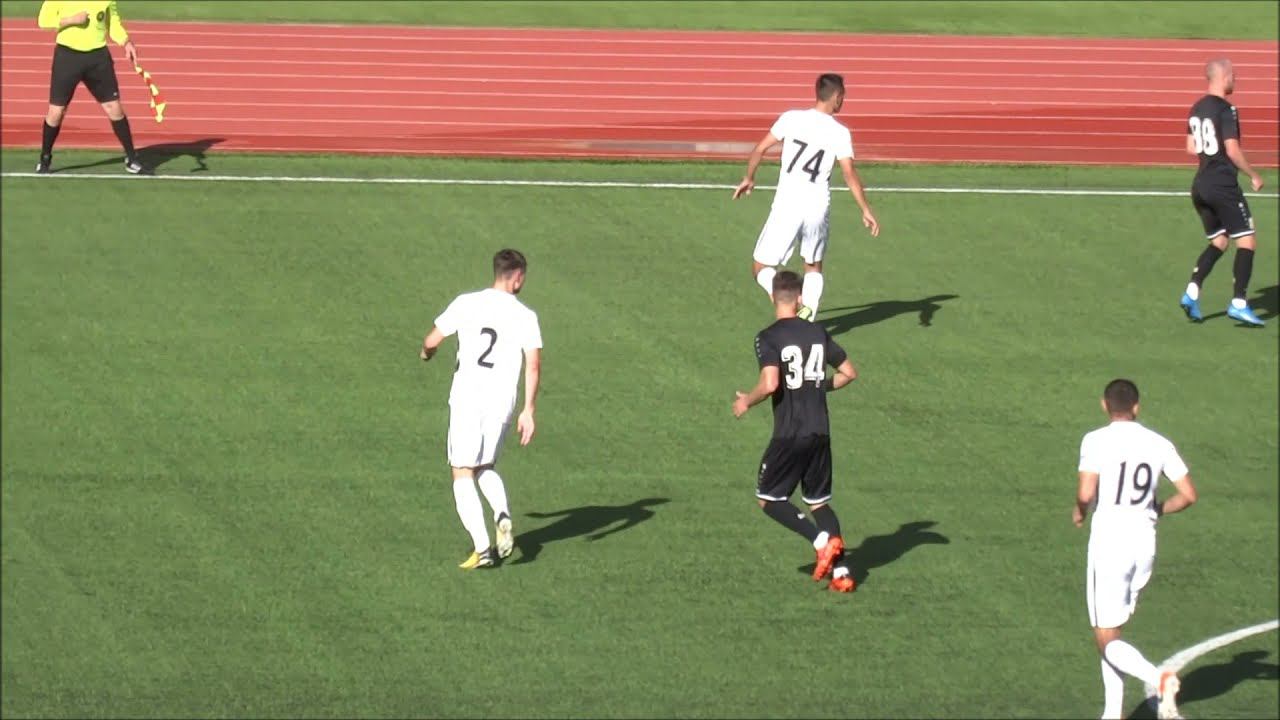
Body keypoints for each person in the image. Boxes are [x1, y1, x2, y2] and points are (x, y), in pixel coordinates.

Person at [1073, 379, 1198, 720]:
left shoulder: (1095, 440)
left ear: (1104, 405)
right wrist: (1158, 509)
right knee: (1113, 630)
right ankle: (1112, 714)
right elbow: (1188, 495)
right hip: (1144, 543)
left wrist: (1079, 511)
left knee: (1105, 637)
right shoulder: (1159, 443)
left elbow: (1085, 493)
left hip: (1109, 543)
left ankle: (1159, 679)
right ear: (1137, 407)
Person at [732, 270, 859, 592]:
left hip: (790, 432)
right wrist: (816, 386)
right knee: (819, 503)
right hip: (820, 431)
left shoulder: (768, 337)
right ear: (800, 298)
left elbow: (770, 383)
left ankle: (819, 542)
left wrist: (747, 400)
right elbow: (849, 373)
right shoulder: (818, 332)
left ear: (773, 297)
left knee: (769, 499)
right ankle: (842, 573)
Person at [421, 249, 542, 570]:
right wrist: (528, 410)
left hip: (467, 396)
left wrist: (425, 353)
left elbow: (432, 341)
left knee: (462, 471)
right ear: (517, 277)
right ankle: (501, 511)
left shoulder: (467, 303)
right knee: (485, 464)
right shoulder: (525, 315)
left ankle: (483, 549)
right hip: (502, 400)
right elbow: (533, 365)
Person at [733, 73, 880, 322]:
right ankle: (807, 316)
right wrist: (865, 209)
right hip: (817, 207)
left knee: (760, 267)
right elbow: (849, 173)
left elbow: (760, 148)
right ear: (836, 97)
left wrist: (749, 177)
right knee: (813, 265)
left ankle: (787, 300)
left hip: (787, 205)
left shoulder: (791, 118)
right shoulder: (839, 132)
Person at [1179, 58, 1266, 326]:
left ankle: (1192, 291)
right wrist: (1253, 175)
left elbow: (1191, 147)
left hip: (1200, 185)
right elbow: (1232, 150)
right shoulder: (1227, 109)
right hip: (1222, 185)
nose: (1235, 81)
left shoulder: (1197, 108)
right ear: (1224, 77)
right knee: (1247, 240)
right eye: (1233, 76)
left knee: (1219, 241)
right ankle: (1239, 303)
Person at [36, 1, 145, 174]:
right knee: (56, 112)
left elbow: (113, 23)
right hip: (67, 56)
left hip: (98, 58)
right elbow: (44, 20)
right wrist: (72, 20)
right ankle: (45, 158)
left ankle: (132, 158)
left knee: (114, 108)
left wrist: (126, 42)